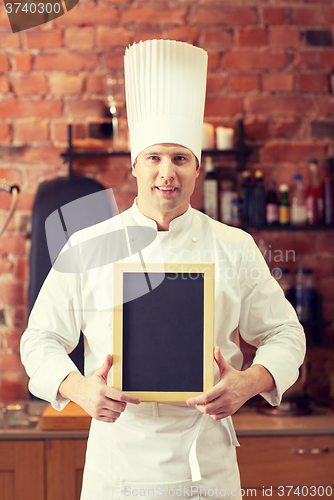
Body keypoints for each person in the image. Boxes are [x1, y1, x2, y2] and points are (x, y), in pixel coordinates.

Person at [21, 40, 306, 500]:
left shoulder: (234, 247)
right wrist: (78, 388)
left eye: (179, 158)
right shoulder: (88, 245)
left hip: (206, 468)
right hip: (118, 470)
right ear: (135, 166)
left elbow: (286, 334)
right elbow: (40, 340)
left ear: (197, 168)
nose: (165, 173)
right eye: (153, 157)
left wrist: (249, 383)